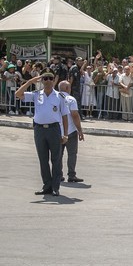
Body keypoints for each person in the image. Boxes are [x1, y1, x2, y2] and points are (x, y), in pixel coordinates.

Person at [15, 68, 70, 196]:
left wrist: (65, 134)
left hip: (54, 129)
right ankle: (47, 186)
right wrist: (30, 81)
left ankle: (55, 187)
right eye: (45, 78)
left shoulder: (60, 96)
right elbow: (18, 94)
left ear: (54, 80)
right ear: (42, 80)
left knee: (56, 159)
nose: (48, 81)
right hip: (39, 130)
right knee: (43, 159)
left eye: (50, 78)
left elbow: (65, 116)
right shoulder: (36, 94)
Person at [57, 80, 85, 182]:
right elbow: (74, 115)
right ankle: (71, 175)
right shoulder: (71, 99)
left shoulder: (54, 97)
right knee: (72, 154)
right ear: (67, 88)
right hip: (71, 130)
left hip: (58, 130)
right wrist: (80, 130)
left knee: (58, 154)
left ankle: (58, 174)